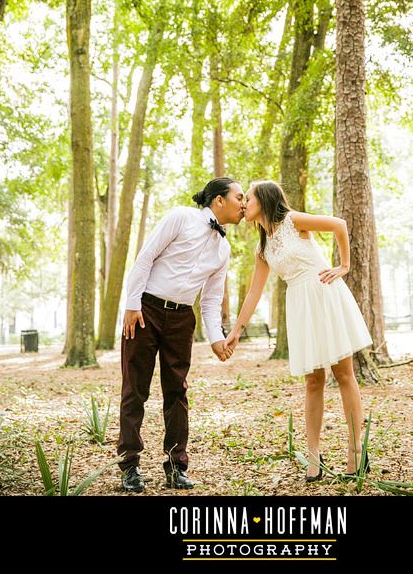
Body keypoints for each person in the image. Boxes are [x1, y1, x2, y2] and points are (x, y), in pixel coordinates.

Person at [224, 180, 372, 481]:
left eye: (247, 198)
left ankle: (357, 450)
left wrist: (344, 266)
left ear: (263, 201)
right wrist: (237, 330)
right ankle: (314, 456)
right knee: (313, 381)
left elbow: (339, 225)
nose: (244, 203)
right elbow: (254, 292)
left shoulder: (294, 221)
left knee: (343, 373)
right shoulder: (262, 246)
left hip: (324, 294)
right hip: (299, 305)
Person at [117, 176, 245, 493]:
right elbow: (146, 256)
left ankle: (176, 467)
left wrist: (217, 338)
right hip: (145, 311)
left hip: (182, 319)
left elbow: (212, 299)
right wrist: (132, 305)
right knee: (135, 388)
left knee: (177, 393)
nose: (244, 204)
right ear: (219, 200)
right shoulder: (181, 217)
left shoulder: (224, 248)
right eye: (239, 197)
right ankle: (129, 465)